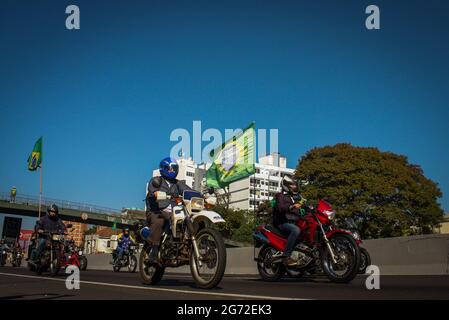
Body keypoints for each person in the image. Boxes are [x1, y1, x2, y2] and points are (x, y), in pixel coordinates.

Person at [145, 157, 193, 263]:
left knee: (188, 219)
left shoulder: (177, 183)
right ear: (164, 168)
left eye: (174, 168)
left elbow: (188, 190)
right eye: (170, 168)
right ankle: (154, 249)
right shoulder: (157, 180)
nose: (172, 171)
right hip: (156, 211)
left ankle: (190, 245)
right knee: (159, 221)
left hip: (173, 212)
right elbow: (152, 191)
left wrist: (202, 195)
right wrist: (156, 193)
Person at [272, 176, 307, 266]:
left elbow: (303, 207)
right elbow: (280, 207)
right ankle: (286, 256)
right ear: (286, 185)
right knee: (296, 230)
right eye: (292, 184)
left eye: (295, 184)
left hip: (294, 222)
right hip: (282, 222)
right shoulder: (280, 196)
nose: (294, 186)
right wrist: (291, 206)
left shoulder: (297, 197)